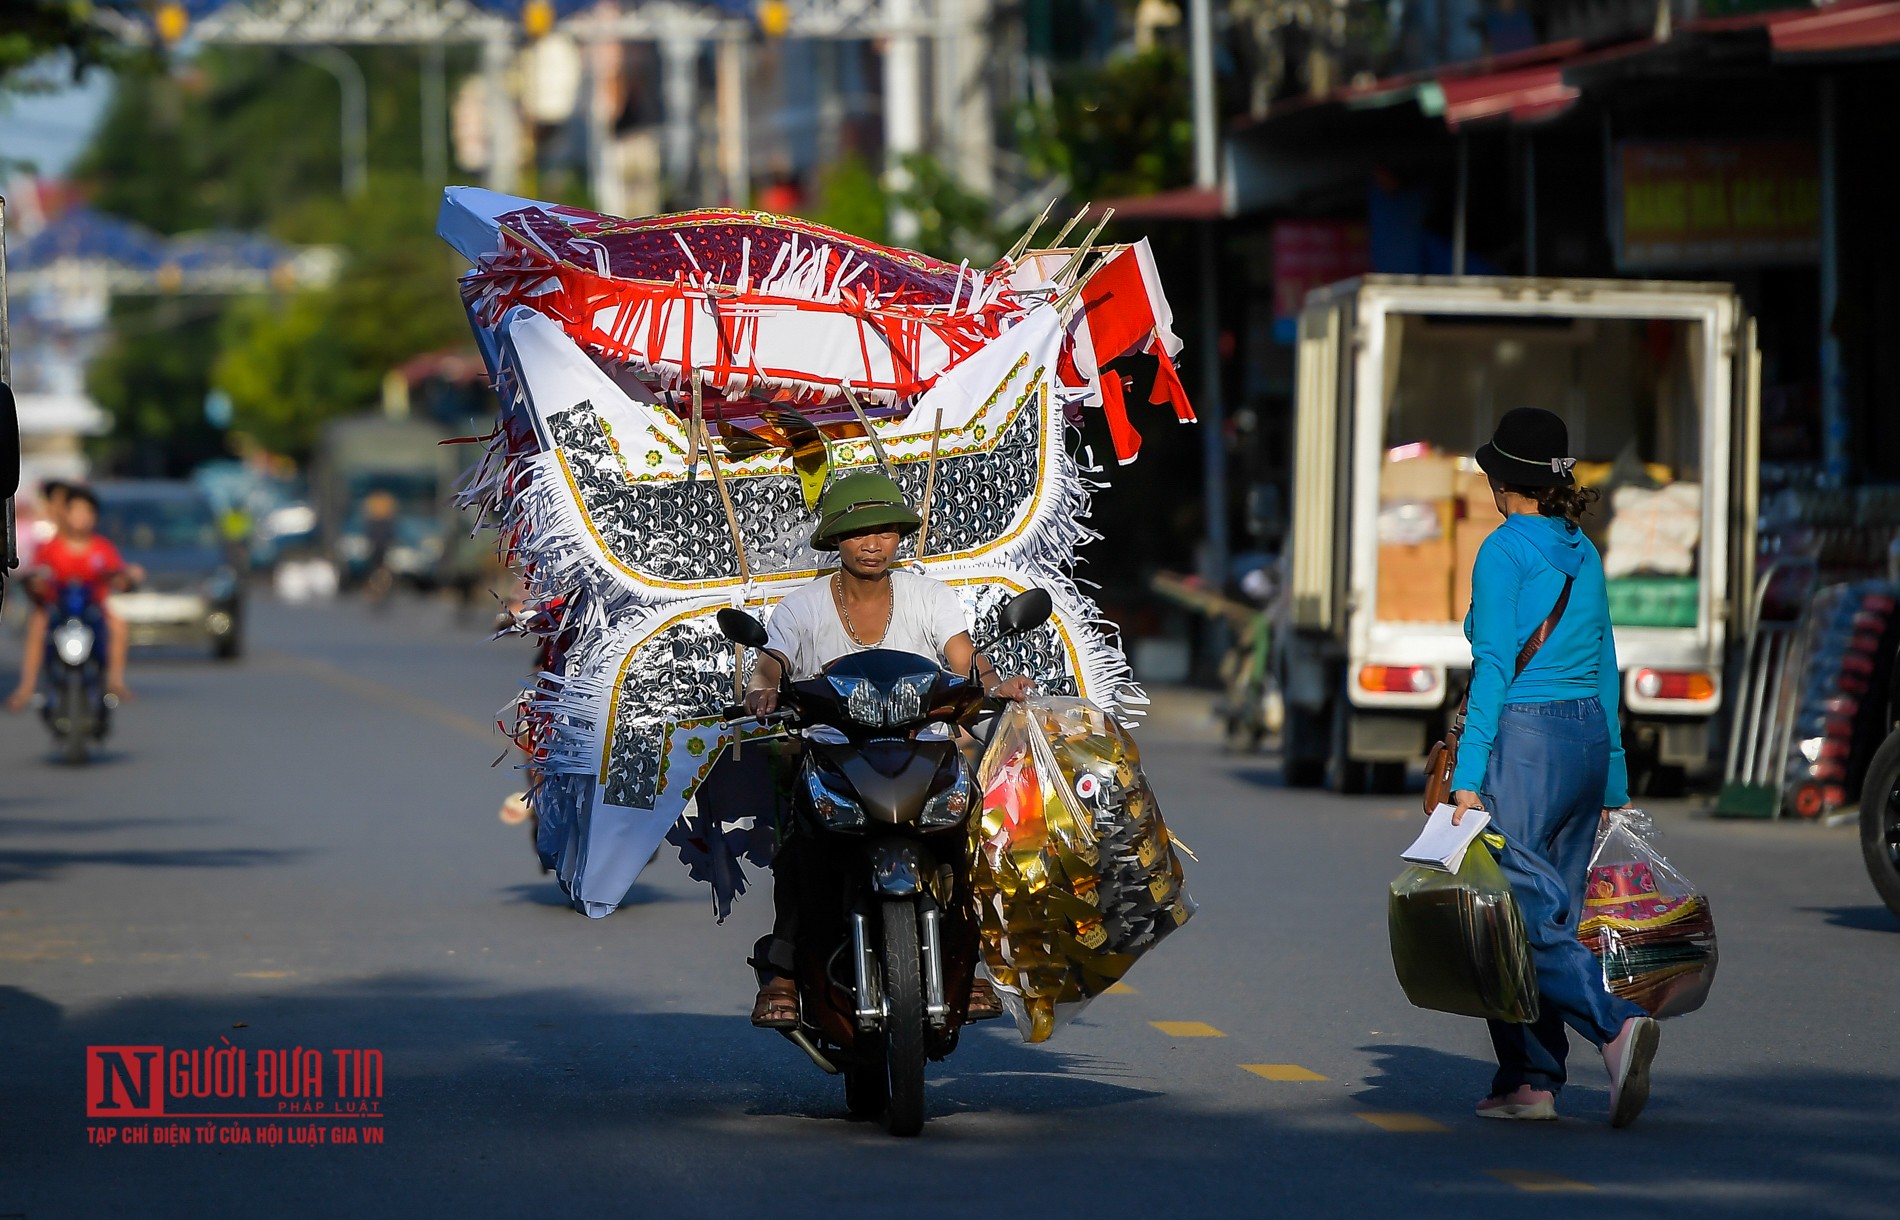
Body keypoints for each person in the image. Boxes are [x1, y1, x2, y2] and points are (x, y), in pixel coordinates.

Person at [741, 471, 1034, 1029]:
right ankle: (780, 969)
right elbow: (770, 661)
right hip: (835, 759)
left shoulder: (929, 598)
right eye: (857, 532)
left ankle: (970, 964)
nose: (872, 543)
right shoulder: (801, 607)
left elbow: (965, 658)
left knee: (966, 839)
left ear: (900, 536)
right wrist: (763, 689)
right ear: (835, 540)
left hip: (921, 754)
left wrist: (992, 686)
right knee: (802, 844)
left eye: (884, 531)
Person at [1447, 407, 1659, 1128]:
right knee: (1543, 912)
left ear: (1504, 481)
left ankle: (1612, 1025)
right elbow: (1606, 666)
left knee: (1508, 916)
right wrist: (1613, 778)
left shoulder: (1504, 551)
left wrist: (1466, 777)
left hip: (1527, 742)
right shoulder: (1582, 550)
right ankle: (1530, 1079)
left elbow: (1495, 668)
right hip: (1583, 742)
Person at [7, 485, 144, 711]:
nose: (81, 518)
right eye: (76, 511)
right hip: (58, 609)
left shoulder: (102, 548)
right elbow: (37, 575)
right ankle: (27, 687)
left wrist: (129, 576)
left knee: (118, 625)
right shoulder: (51, 548)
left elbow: (119, 576)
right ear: (66, 514)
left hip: (92, 610)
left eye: (87, 512)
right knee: (38, 623)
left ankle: (115, 681)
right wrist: (34, 582)